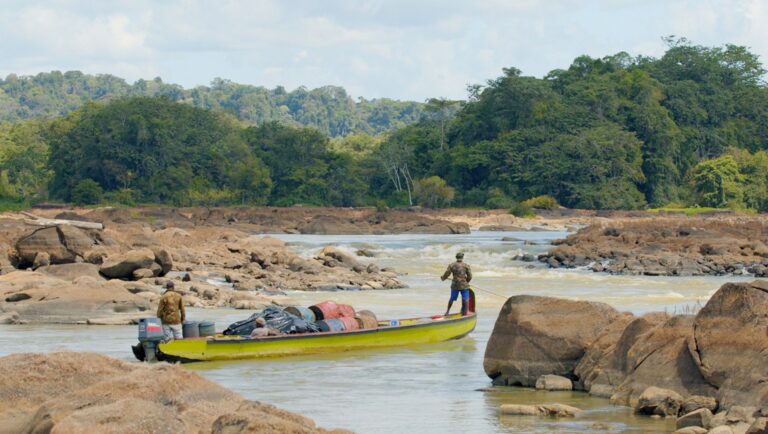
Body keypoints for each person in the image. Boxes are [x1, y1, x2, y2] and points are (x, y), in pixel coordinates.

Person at [441, 252, 472, 316]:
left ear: (456, 257)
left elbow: (447, 274)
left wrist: (443, 278)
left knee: (452, 298)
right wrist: (466, 281)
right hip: (464, 285)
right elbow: (470, 276)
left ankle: (447, 312)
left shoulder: (451, 265)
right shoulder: (466, 265)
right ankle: (465, 314)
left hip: (455, 285)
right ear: (462, 258)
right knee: (466, 299)